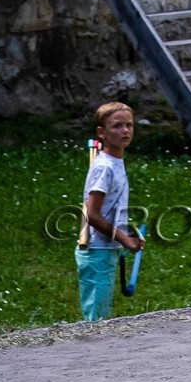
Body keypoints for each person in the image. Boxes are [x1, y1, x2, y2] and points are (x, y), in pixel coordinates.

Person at [77, 100, 144, 323]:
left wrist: (127, 234)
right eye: (117, 126)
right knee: (96, 322)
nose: (125, 131)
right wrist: (124, 239)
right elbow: (92, 214)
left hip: (105, 248)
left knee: (101, 317)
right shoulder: (104, 166)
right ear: (101, 132)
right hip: (96, 250)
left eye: (129, 125)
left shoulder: (116, 161)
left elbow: (109, 208)